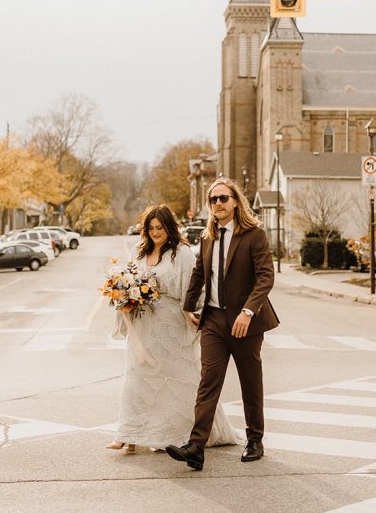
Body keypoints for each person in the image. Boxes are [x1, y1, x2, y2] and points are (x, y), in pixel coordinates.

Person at [166, 178, 279, 471]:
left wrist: (248, 312)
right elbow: (200, 275)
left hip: (245, 323)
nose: (218, 203)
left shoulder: (254, 235)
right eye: (213, 199)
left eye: (223, 198)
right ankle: (196, 447)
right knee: (208, 383)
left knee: (249, 382)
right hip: (214, 320)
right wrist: (189, 305)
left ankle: (255, 440)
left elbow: (265, 276)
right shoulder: (207, 237)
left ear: (235, 201)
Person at [108, 204, 240, 453]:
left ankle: (184, 432)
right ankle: (129, 434)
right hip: (143, 325)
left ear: (169, 227)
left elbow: (193, 290)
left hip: (171, 326)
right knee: (136, 377)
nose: (155, 232)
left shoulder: (182, 253)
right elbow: (128, 279)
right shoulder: (138, 252)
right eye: (151, 228)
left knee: (177, 381)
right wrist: (125, 294)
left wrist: (194, 313)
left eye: (160, 227)